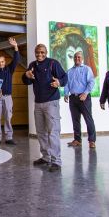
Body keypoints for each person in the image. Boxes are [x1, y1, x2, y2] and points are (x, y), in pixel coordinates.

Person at [22, 44, 68, 172]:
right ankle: (46, 157)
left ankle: (56, 161)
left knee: (53, 132)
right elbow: (26, 81)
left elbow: (64, 77)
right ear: (35, 53)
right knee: (41, 132)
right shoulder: (32, 65)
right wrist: (26, 75)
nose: (39, 54)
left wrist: (59, 82)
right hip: (38, 103)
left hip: (51, 103)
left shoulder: (53, 63)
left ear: (46, 52)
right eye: (37, 52)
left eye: (42, 52)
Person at [64, 51, 97, 148]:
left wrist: (85, 93)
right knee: (75, 120)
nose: (77, 59)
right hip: (73, 98)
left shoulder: (87, 69)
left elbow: (91, 82)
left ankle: (92, 140)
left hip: (84, 98)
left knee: (88, 119)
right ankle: (77, 140)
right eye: (75, 57)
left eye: (79, 57)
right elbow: (66, 84)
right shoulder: (69, 71)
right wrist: (66, 94)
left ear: (82, 58)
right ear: (73, 59)